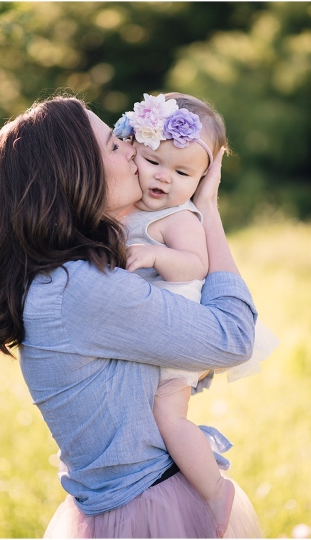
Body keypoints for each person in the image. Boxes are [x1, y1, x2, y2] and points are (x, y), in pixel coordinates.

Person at [0, 94, 262, 538]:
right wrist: (209, 210)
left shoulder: (64, 276)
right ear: (73, 175)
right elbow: (234, 338)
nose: (131, 149)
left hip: (129, 500)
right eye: (113, 145)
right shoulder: (81, 288)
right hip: (147, 509)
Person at [113, 91, 276, 536]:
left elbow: (196, 265)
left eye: (182, 172)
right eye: (153, 162)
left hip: (185, 333)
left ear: (203, 180)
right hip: (153, 332)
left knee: (170, 416)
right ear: (132, 151)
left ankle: (215, 492)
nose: (163, 177)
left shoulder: (178, 217)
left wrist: (154, 255)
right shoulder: (126, 207)